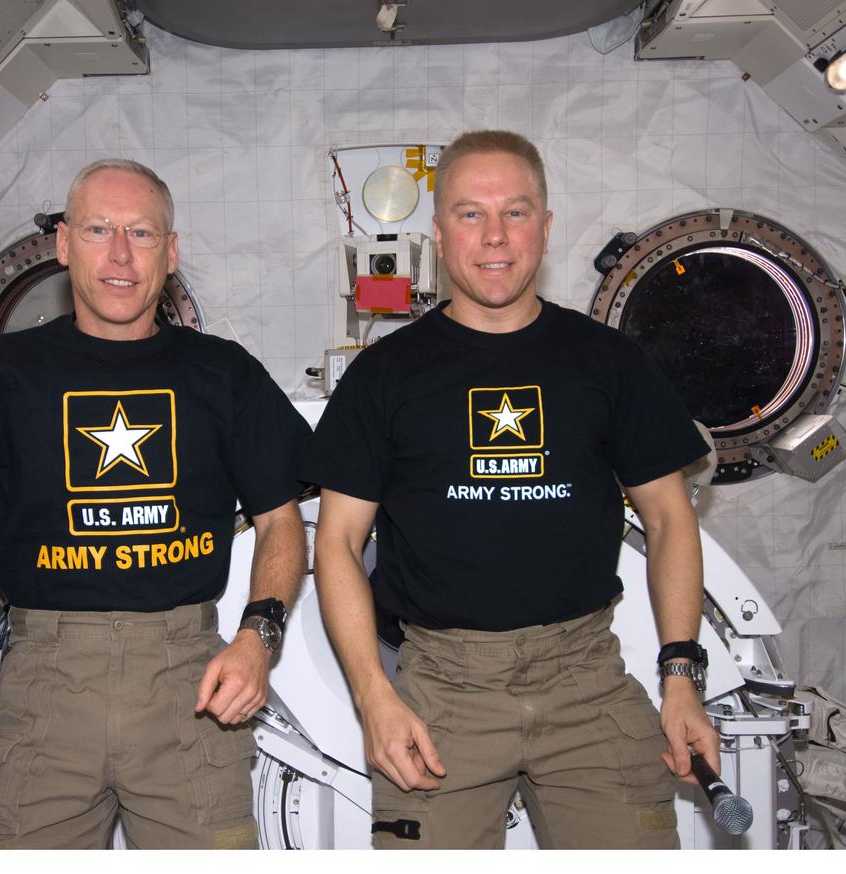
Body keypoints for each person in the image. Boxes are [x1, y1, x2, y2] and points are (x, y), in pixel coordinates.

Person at [0, 158, 309, 849]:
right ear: (64, 244)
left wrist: (260, 637)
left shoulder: (226, 375)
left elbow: (283, 522)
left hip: (186, 684)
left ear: (171, 251)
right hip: (44, 687)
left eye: (142, 233)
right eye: (100, 230)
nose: (121, 255)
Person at [303, 130, 719, 849]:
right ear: (437, 233)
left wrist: (681, 674)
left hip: (587, 680)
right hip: (443, 690)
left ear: (546, 227)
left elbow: (670, 519)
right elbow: (337, 542)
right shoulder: (386, 374)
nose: (495, 237)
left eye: (516, 212)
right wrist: (374, 697)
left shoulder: (608, 362)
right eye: (470, 214)